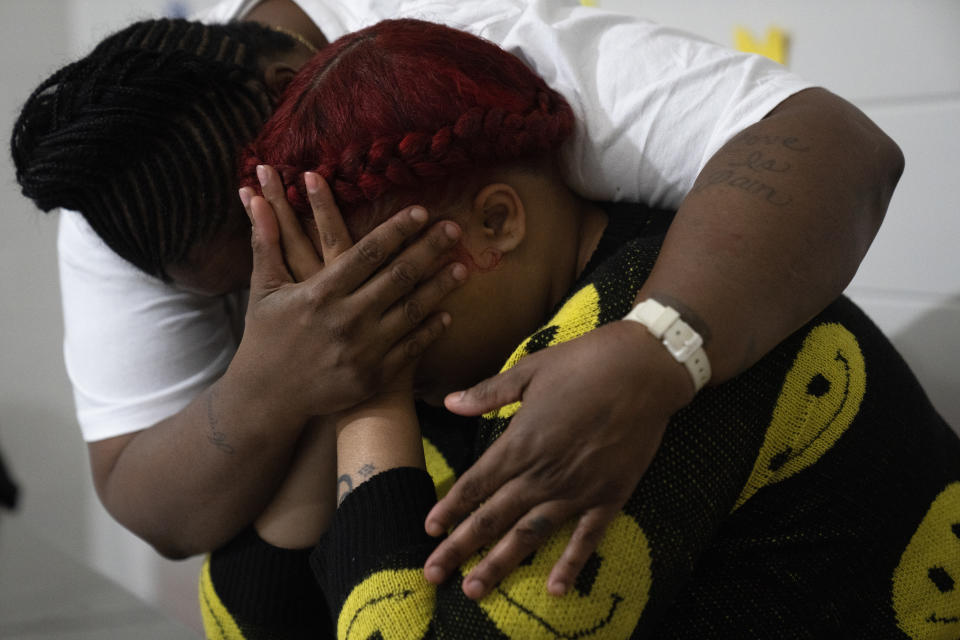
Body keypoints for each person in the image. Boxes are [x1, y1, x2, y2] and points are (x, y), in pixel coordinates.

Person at [10, 0, 904, 599]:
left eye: (353, 258)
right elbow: (151, 501)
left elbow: (837, 142)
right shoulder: (133, 197)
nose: (325, 301)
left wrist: (657, 351)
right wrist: (272, 383)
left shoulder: (477, 46)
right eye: (255, 291)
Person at [202, 19, 959, 639]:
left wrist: (368, 403)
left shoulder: (616, 351)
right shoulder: (462, 352)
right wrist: (314, 378)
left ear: (496, 222)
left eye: (366, 288)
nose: (341, 329)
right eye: (319, 293)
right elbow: (249, 622)